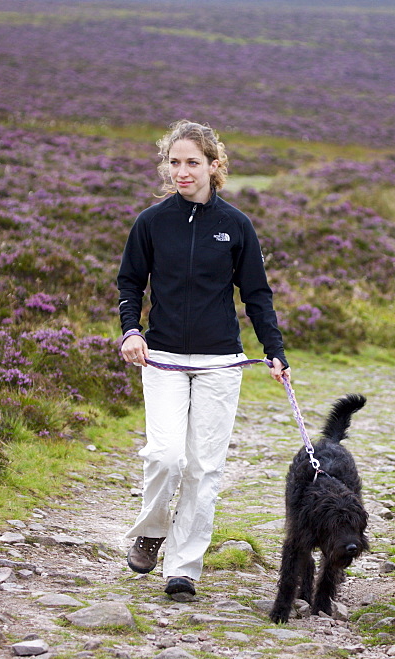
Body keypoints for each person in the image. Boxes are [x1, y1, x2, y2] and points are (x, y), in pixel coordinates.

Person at [116, 120, 289, 599]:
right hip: (163, 357)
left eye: (192, 162)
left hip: (220, 363)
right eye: (174, 162)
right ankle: (152, 531)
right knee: (165, 456)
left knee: (203, 468)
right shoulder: (151, 223)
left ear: (215, 166)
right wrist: (131, 330)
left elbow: (257, 294)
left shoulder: (235, 226)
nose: (181, 172)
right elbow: (130, 282)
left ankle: (184, 568)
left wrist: (274, 351)